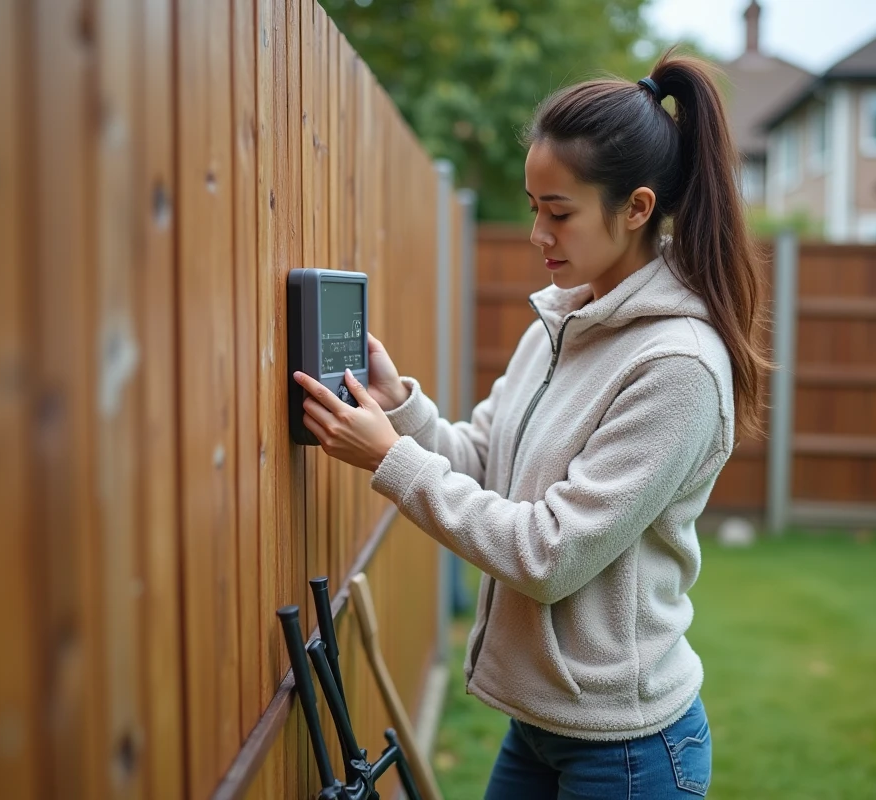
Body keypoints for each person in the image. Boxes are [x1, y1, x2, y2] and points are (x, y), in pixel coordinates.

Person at [293, 47, 768, 799]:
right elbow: (486, 458)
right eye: (533, 204)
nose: (537, 233)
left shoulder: (678, 367)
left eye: (559, 211)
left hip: (628, 751)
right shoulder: (561, 319)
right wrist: (403, 412)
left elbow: (551, 555)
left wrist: (391, 461)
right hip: (541, 729)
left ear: (637, 208)